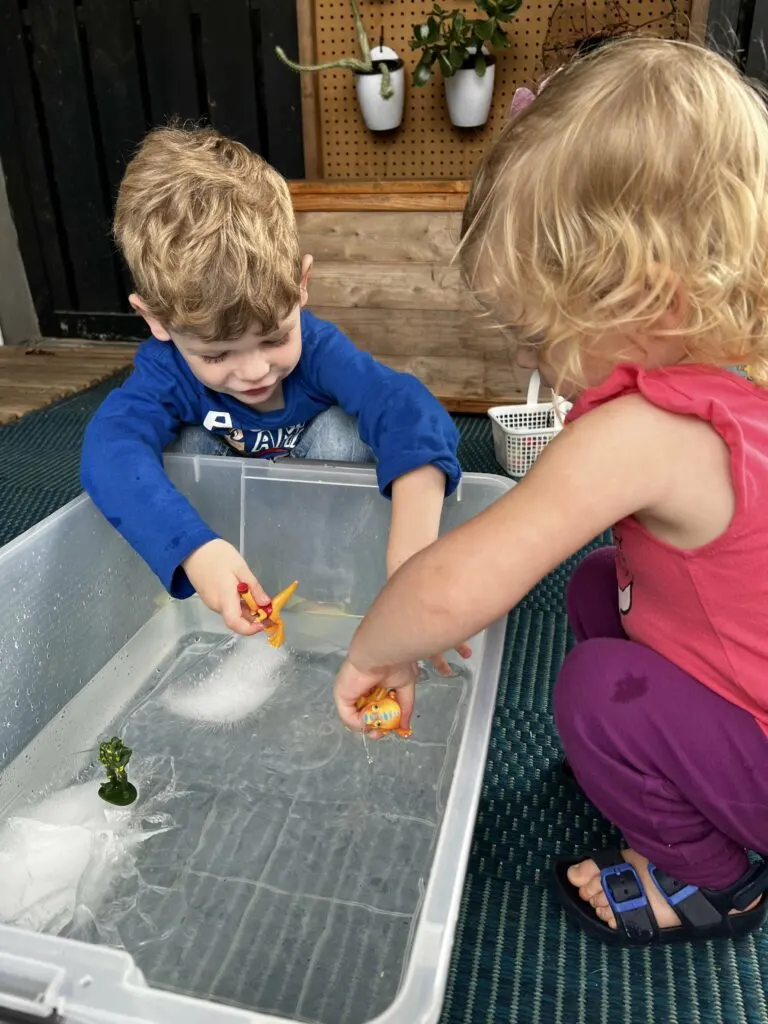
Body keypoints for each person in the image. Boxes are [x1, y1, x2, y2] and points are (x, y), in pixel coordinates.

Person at [333, 38, 768, 946]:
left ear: (653, 302)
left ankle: (711, 878)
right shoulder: (734, 386)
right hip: (747, 695)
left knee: (593, 688)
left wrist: (378, 649)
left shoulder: (641, 431)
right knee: (594, 580)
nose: (528, 362)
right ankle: (667, 775)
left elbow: (458, 584)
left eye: (538, 331)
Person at [81, 125, 464, 659]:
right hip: (234, 548)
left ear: (301, 283)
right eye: (216, 355)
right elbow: (108, 451)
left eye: (275, 337)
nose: (255, 371)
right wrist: (197, 550)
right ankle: (213, 586)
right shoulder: (166, 373)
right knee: (173, 454)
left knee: (344, 433)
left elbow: (405, 407)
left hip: (327, 535)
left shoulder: (320, 351)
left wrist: (411, 558)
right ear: (155, 319)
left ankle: (331, 588)